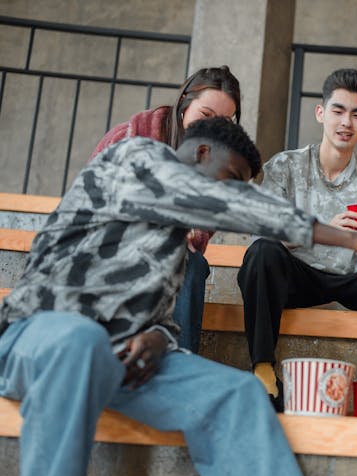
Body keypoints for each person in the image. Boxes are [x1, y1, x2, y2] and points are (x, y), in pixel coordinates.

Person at [0, 116, 357, 476]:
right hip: (35, 341)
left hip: (117, 364)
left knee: (240, 392)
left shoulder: (173, 245)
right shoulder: (133, 158)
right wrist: (351, 239)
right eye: (231, 181)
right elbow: (220, 201)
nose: (230, 196)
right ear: (199, 155)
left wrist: (158, 340)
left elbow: (163, 321)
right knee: (81, 339)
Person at [236, 68, 357, 410]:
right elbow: (260, 232)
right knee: (261, 253)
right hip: (299, 274)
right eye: (338, 111)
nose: (346, 122)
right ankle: (263, 368)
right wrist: (324, 229)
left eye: (356, 114)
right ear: (321, 113)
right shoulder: (285, 167)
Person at [89, 65, 242, 353]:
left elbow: (202, 232)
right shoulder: (130, 137)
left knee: (190, 263)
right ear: (184, 104)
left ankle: (180, 366)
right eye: (205, 115)